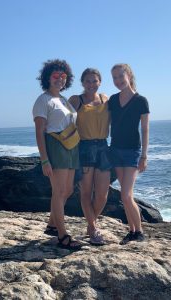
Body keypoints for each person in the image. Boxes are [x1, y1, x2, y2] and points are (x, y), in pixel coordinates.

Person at [32, 59, 81, 250]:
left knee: (67, 190)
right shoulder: (43, 100)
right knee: (59, 192)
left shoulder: (63, 100)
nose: (60, 79)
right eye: (55, 75)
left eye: (63, 76)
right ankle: (62, 236)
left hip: (70, 147)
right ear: (47, 77)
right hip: (55, 146)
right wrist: (44, 159)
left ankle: (52, 225)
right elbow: (39, 132)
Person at [108, 63, 150, 244]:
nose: (118, 81)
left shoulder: (141, 101)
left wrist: (144, 156)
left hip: (133, 152)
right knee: (126, 196)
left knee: (126, 194)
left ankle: (139, 232)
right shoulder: (112, 99)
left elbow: (145, 130)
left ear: (129, 76)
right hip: (116, 150)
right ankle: (132, 231)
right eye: (115, 78)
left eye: (120, 76)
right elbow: (105, 123)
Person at [69, 68, 111, 245]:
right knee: (86, 192)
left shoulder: (105, 99)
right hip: (84, 148)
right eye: (87, 81)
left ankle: (90, 224)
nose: (91, 84)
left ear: (100, 82)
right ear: (82, 83)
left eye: (94, 81)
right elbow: (61, 120)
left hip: (103, 147)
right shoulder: (75, 100)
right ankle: (93, 229)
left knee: (102, 195)